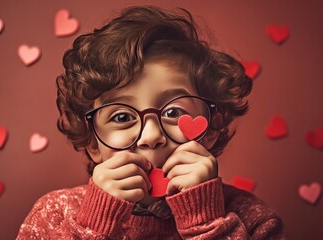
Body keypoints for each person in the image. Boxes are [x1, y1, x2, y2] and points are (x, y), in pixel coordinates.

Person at [17, 5, 287, 239]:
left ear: (210, 129)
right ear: (93, 144)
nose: (150, 136)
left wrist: (206, 222)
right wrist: (93, 226)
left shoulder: (255, 221)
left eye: (173, 112)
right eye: (122, 117)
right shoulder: (52, 214)